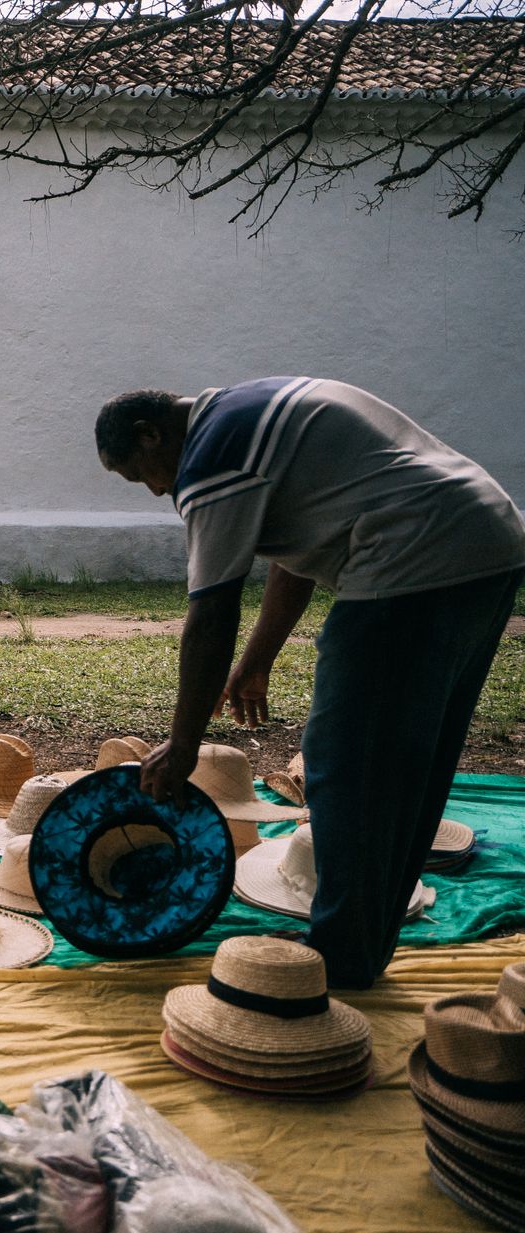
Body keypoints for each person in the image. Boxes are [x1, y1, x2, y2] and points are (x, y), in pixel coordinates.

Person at [97, 377, 525, 989]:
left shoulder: (211, 453)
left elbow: (211, 613)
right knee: (410, 757)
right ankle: (364, 938)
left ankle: (340, 955)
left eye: (143, 474)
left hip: (415, 554)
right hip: (487, 540)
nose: (158, 489)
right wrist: (259, 658)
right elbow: (291, 552)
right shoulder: (248, 414)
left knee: (343, 759)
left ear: (151, 434)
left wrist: (184, 742)